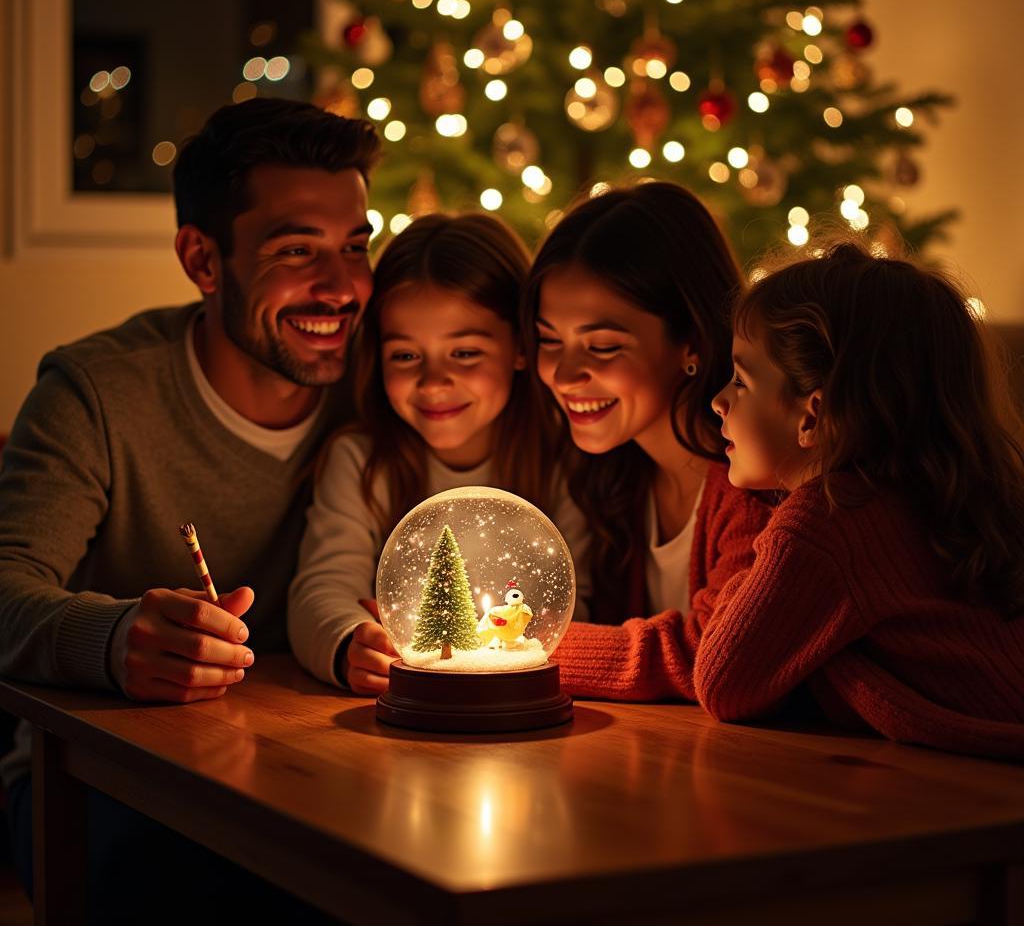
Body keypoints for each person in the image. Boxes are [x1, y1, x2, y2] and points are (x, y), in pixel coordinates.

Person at [0, 97, 379, 919]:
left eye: (356, 247)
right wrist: (112, 640)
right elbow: (3, 590)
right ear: (203, 261)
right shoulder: (96, 393)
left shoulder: (392, 383)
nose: (343, 286)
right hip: (100, 784)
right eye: (296, 250)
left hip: (323, 775)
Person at [698, 240, 1024, 760]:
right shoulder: (933, 500)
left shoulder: (827, 523)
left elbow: (722, 683)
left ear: (811, 416)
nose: (718, 400)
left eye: (741, 379)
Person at [288, 213, 590, 695]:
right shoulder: (362, 461)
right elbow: (321, 586)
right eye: (406, 356)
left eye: (465, 353)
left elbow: (581, 599)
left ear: (519, 347)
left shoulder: (560, 454)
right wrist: (349, 643)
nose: (432, 381)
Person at [522, 181, 774, 701]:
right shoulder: (612, 476)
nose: (565, 374)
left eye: (603, 346)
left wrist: (513, 647)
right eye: (550, 340)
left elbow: (710, 650)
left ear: (692, 342)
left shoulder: (755, 486)